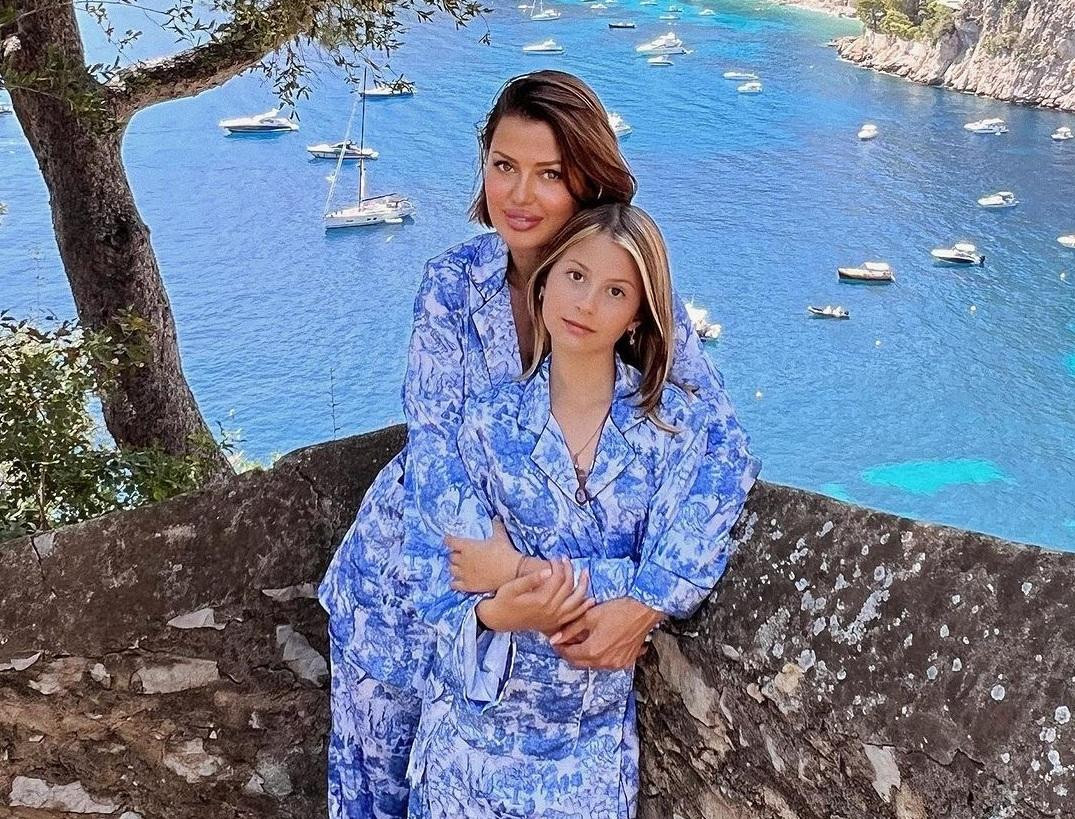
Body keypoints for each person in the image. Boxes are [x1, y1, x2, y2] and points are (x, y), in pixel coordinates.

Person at [317, 70, 636, 819]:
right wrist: (498, 585)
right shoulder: (452, 286)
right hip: (401, 595)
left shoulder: (629, 286)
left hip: (533, 633)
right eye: (503, 165)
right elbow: (435, 452)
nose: (519, 195)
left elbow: (717, 453)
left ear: (589, 179)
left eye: (549, 173)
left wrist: (646, 600)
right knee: (373, 797)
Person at [404, 204, 760, 818]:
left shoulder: (673, 429)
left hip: (587, 766)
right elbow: (434, 578)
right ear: (544, 284)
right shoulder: (486, 423)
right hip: (466, 753)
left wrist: (517, 572)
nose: (587, 303)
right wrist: (496, 611)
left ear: (637, 315)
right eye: (575, 276)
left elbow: (669, 574)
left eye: (615, 291)